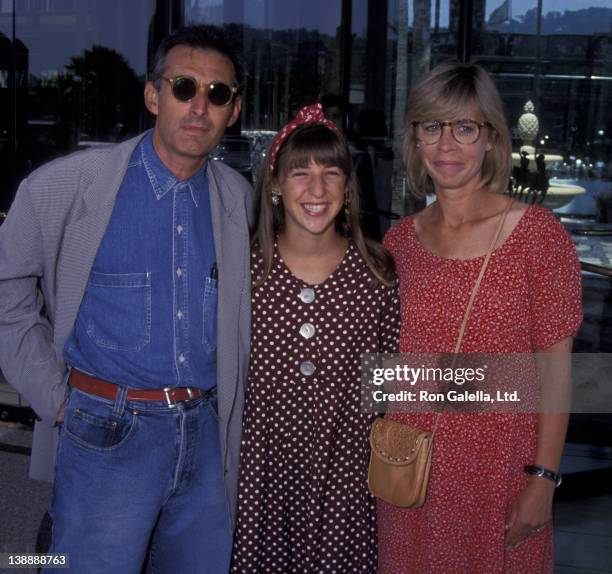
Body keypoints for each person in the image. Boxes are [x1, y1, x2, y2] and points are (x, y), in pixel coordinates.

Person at [0, 25, 253, 573]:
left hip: (206, 440)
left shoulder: (238, 198)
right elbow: (7, 294)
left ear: (233, 111)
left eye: (218, 94)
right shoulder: (64, 186)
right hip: (107, 435)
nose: (198, 106)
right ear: (153, 95)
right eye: (184, 86)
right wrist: (55, 397)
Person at [377, 63, 582, 573]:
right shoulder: (398, 242)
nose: (447, 145)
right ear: (416, 139)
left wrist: (544, 477)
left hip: (500, 475)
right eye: (432, 127)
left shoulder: (537, 235)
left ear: (491, 139)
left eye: (464, 128)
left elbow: (555, 374)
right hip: (411, 472)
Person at [230, 104, 400, 573]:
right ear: (276, 185)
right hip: (259, 473)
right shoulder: (244, 271)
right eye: (299, 172)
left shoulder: (377, 274)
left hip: (344, 480)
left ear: (348, 187)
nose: (317, 188)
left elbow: (389, 387)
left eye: (331, 171)